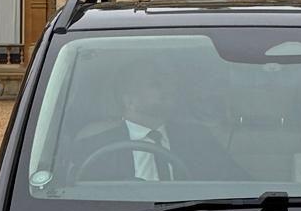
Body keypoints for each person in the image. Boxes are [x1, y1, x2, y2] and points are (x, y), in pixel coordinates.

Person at [67, 62, 245, 183]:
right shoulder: (96, 145)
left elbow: (234, 180)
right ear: (129, 100)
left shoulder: (198, 138)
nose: (168, 89)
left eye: (170, 84)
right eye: (156, 84)